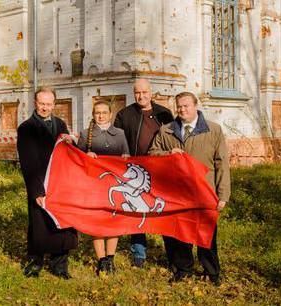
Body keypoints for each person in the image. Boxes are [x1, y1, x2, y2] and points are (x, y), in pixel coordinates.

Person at [148, 91, 231, 284]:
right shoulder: (166, 130)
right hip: (177, 193)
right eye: (179, 106)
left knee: (206, 234)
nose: (182, 110)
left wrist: (223, 194)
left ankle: (212, 272)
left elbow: (222, 164)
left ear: (195, 106)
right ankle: (183, 270)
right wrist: (168, 153)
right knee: (180, 233)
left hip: (205, 192)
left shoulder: (213, 130)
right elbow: (152, 154)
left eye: (186, 106)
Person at [17, 87, 78, 279]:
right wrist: (36, 192)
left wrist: (73, 141)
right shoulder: (26, 128)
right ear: (35, 103)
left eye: (49, 104)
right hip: (39, 183)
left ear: (54, 104)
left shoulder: (60, 124)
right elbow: (28, 162)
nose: (45, 108)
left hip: (60, 184)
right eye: (42, 104)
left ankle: (60, 266)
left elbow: (68, 152)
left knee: (62, 223)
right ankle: (35, 264)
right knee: (39, 224)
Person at [113, 78, 174, 268]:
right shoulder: (124, 114)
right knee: (136, 210)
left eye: (145, 92)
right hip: (135, 169)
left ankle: (171, 251)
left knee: (164, 210)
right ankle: (139, 254)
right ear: (134, 93)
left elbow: (173, 139)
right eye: (137, 93)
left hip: (160, 169)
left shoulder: (164, 113)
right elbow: (117, 139)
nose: (141, 96)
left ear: (151, 92)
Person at [77, 101, 130, 275]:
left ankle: (111, 259)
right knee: (98, 222)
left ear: (110, 114)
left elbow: (127, 157)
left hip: (115, 185)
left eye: (104, 112)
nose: (101, 116)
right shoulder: (86, 134)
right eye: (97, 113)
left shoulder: (120, 134)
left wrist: (125, 157)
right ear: (93, 114)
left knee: (114, 221)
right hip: (95, 185)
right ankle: (101, 261)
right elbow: (77, 161)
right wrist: (86, 156)